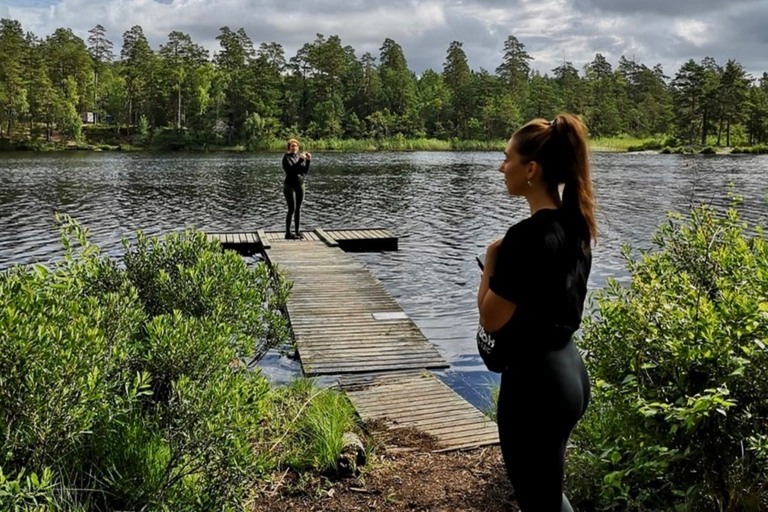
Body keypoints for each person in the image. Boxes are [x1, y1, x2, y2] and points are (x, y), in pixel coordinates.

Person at [476, 113, 597, 512]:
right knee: (547, 492)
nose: (501, 166)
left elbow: (491, 318)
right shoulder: (575, 225)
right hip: (569, 372)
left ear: (531, 169)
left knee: (538, 499)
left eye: (506, 157)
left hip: (535, 385)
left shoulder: (522, 239)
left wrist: (492, 260)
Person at [281, 138, 312, 239]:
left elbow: (304, 171)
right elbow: (291, 171)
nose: (294, 148)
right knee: (291, 209)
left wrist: (308, 161)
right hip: (289, 186)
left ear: (298, 148)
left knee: (298, 209)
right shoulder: (286, 158)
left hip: (300, 185)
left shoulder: (298, 157)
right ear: (289, 148)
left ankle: (297, 231)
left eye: (296, 146)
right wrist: (300, 161)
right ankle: (288, 233)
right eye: (292, 146)